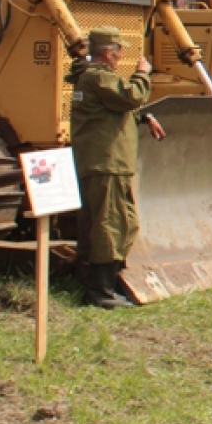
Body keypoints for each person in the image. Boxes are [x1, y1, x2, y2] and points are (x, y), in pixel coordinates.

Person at [69, 26, 160, 309]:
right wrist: (142, 73)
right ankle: (101, 290)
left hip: (106, 162)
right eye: (119, 51)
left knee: (115, 221)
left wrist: (144, 118)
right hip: (106, 162)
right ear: (109, 53)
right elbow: (130, 96)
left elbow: (115, 107)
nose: (121, 55)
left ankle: (99, 281)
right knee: (111, 223)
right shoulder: (97, 77)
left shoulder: (93, 78)